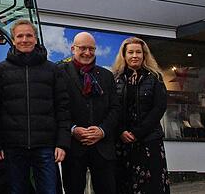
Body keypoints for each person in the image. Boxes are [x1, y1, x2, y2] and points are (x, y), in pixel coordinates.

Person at [0, 19, 70, 194]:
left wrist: (62, 143)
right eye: (20, 36)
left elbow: (62, 108)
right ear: (14, 40)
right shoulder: (0, 71)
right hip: (13, 147)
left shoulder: (53, 70)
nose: (25, 39)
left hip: (46, 147)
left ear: (36, 39)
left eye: (29, 35)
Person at [59, 32, 120, 194]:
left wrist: (102, 130)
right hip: (73, 148)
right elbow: (56, 108)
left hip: (103, 148)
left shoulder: (107, 76)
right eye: (83, 48)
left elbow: (115, 108)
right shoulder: (59, 73)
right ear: (73, 49)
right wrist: (72, 129)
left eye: (91, 48)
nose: (87, 52)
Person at [112, 37, 170, 194]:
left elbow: (159, 108)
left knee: (152, 186)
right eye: (130, 52)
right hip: (122, 143)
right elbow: (112, 109)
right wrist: (120, 131)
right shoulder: (115, 79)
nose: (134, 56)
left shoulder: (155, 78)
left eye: (138, 52)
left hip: (149, 140)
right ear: (124, 55)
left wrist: (138, 132)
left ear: (144, 55)